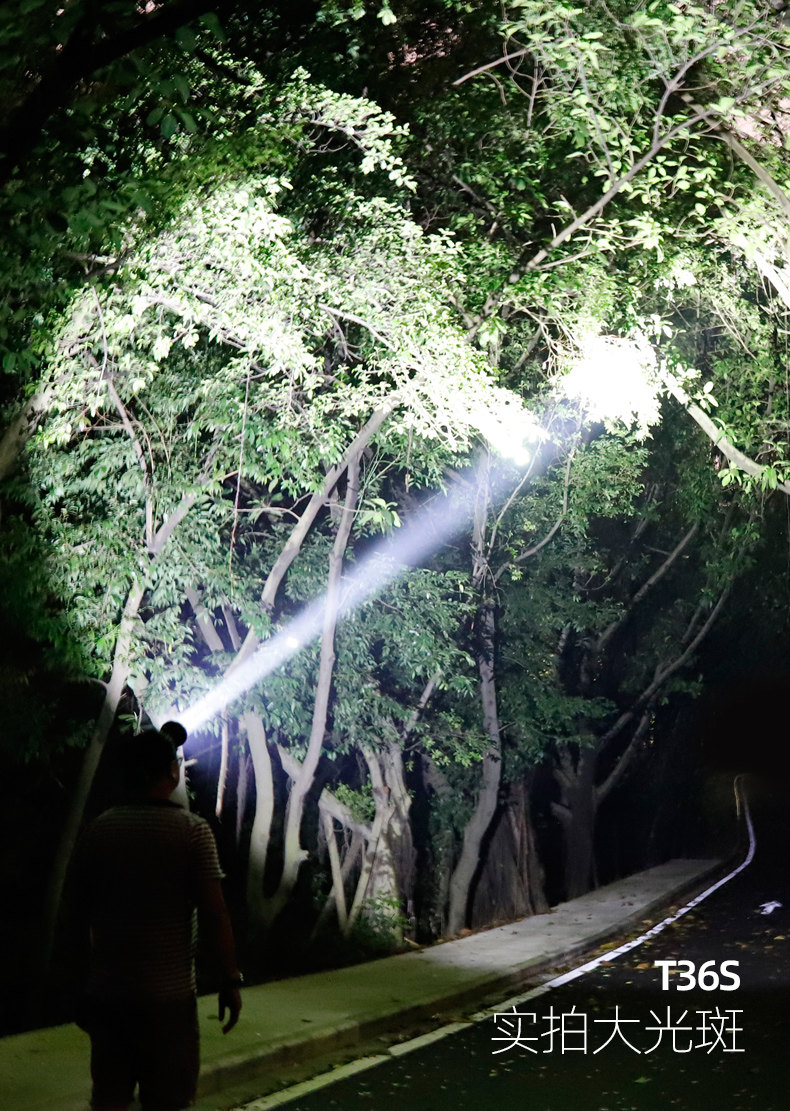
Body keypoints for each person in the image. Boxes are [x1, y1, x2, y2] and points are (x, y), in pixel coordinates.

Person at [73, 725, 242, 1111]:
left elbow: (77, 916)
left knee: (109, 1099)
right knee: (168, 1100)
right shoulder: (192, 832)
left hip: (109, 999)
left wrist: (78, 988)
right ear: (172, 772)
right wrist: (230, 980)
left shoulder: (100, 829)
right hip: (168, 1004)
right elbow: (215, 915)